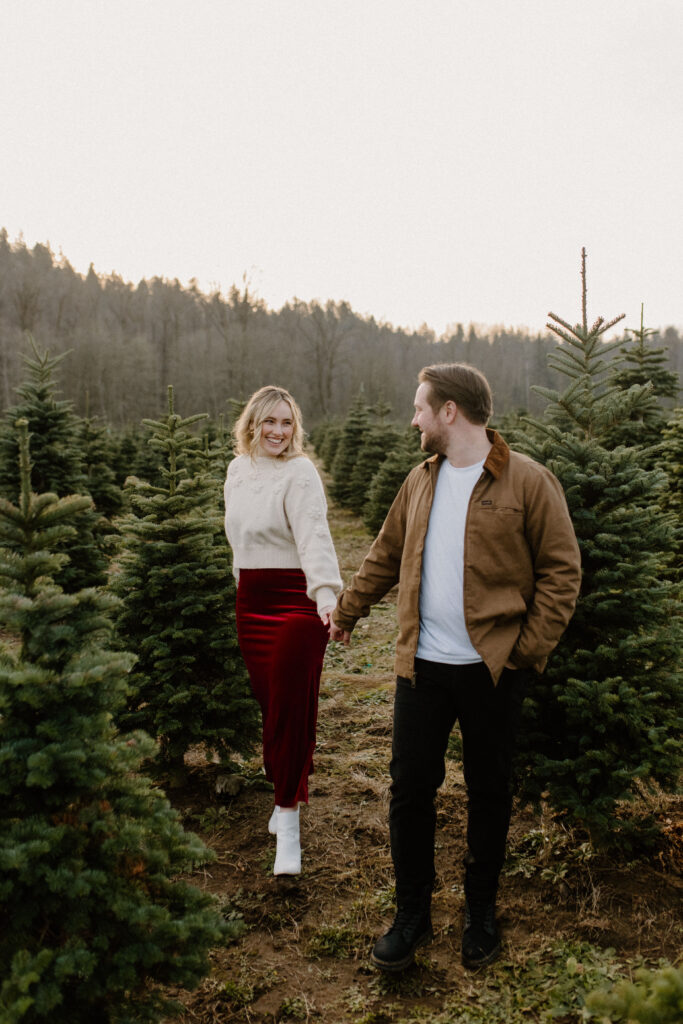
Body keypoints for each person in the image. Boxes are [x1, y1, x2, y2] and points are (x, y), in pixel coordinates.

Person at [330, 363, 581, 971]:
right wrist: (348, 612)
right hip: (421, 667)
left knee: (489, 792)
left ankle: (480, 911)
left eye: (420, 407)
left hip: (492, 670)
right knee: (410, 790)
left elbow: (562, 571)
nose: (413, 418)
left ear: (449, 412)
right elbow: (386, 552)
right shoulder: (420, 481)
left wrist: (523, 652)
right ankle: (411, 913)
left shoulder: (528, 482)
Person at [224, 385, 342, 876]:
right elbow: (237, 539)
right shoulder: (237, 471)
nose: (277, 431)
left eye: (286, 422)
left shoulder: (300, 472)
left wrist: (327, 595)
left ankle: (289, 825)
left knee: (293, 709)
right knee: (271, 706)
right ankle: (283, 793)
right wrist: (241, 589)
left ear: (296, 428)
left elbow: (315, 534)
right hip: (251, 601)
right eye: (268, 421)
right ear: (251, 423)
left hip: (296, 602)